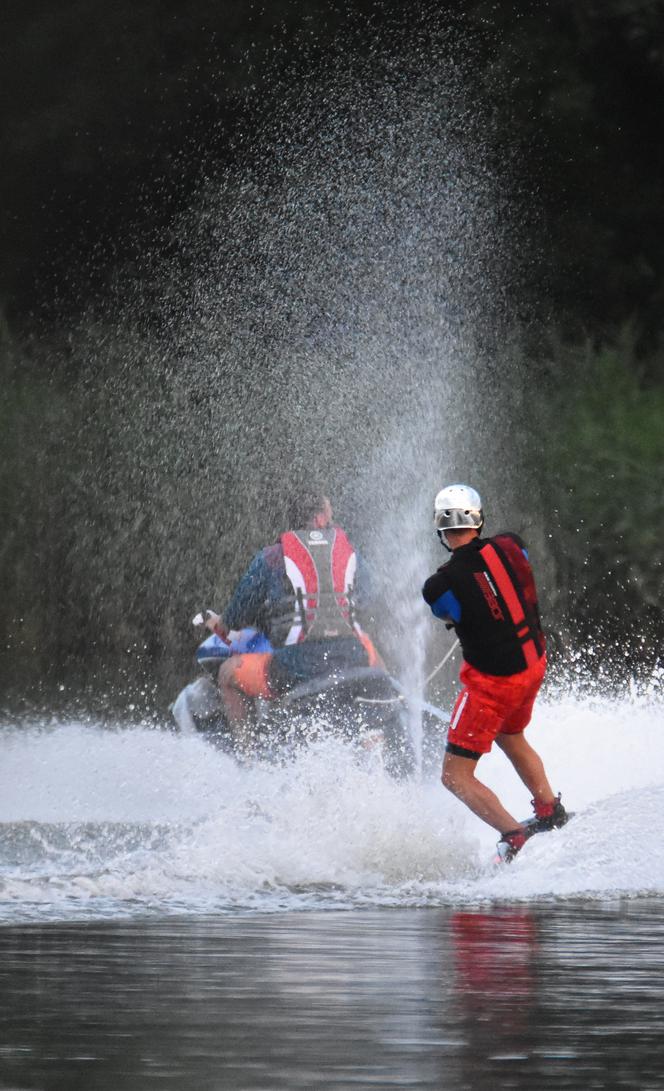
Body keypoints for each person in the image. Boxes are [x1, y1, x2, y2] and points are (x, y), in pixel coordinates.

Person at [421, 483, 568, 862]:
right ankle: (550, 809)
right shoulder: (511, 544)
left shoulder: (438, 585)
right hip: (533, 665)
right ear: (478, 518)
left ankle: (514, 836)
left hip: (493, 684)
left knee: (455, 776)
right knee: (510, 733)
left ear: (441, 528)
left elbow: (450, 613)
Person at [206, 490, 382, 752]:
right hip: (351, 657)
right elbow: (369, 596)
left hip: (296, 668)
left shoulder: (271, 557)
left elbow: (234, 618)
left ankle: (248, 756)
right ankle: (385, 711)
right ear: (321, 519)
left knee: (228, 673)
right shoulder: (348, 550)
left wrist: (216, 623)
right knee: (370, 648)